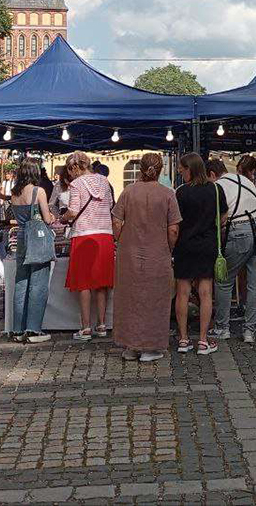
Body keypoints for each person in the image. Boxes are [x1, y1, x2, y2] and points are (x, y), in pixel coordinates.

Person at [112, 152, 180, 361]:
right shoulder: (168, 194)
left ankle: (131, 345)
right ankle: (151, 347)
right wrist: (169, 248)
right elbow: (174, 230)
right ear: (160, 171)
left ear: (140, 169)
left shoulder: (128, 192)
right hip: (157, 254)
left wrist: (121, 239)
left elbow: (116, 222)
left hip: (129, 253)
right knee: (156, 299)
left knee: (129, 299)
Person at [212, 155, 256, 344]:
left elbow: (221, 219)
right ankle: (249, 331)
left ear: (212, 175)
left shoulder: (217, 187)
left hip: (239, 231)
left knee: (224, 280)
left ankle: (222, 328)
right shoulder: (244, 180)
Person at [173, 154, 226, 355]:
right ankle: (203, 341)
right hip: (207, 245)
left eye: (182, 169)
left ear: (190, 169)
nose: (180, 172)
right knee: (206, 294)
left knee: (183, 293)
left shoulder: (181, 192)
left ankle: (184, 339)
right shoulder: (215, 188)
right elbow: (223, 218)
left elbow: (175, 223)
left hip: (184, 246)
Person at [62, 152, 115, 341]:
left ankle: (85, 327)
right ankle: (101, 325)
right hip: (105, 234)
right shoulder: (104, 181)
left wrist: (62, 218)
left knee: (84, 283)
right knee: (102, 283)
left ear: (75, 168)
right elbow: (110, 206)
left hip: (84, 235)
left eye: (70, 171)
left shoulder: (76, 185)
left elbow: (73, 210)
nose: (70, 175)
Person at [8, 161, 56, 342]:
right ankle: (34, 329)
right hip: (37, 239)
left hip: (20, 238)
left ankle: (18, 329)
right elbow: (47, 219)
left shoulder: (14, 193)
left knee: (21, 283)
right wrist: (52, 216)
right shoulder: (38, 191)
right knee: (39, 283)